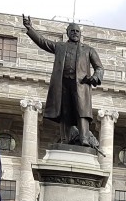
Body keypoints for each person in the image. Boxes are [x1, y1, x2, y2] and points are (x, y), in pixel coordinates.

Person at [22, 16, 104, 148]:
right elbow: (43, 42)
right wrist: (30, 28)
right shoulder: (60, 46)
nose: (75, 33)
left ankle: (84, 138)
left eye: (77, 31)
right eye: (72, 31)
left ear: (80, 34)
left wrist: (95, 77)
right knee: (65, 112)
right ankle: (65, 138)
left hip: (81, 85)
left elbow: (99, 67)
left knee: (81, 112)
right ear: (67, 33)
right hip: (63, 84)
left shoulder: (88, 50)